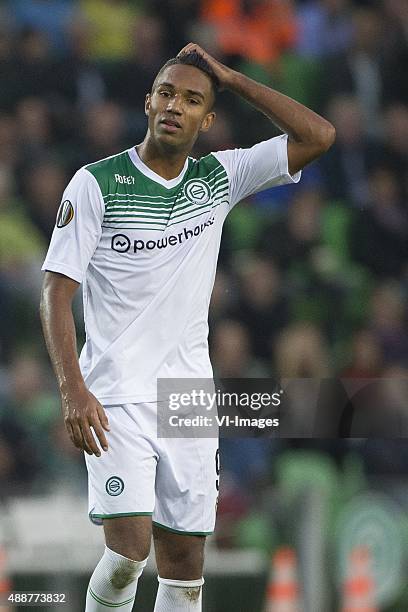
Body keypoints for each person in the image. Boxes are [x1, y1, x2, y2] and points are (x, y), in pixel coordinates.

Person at [40, 43, 335, 611]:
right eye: (167, 93)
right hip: (115, 396)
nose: (176, 105)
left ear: (209, 118)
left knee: (184, 569)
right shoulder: (97, 183)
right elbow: (55, 292)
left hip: (189, 402)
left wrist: (232, 75)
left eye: (193, 99)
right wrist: (72, 389)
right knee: (128, 553)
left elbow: (318, 136)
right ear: (148, 101)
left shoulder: (218, 178)